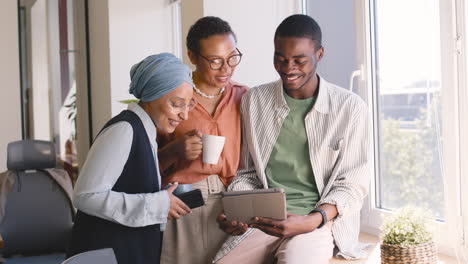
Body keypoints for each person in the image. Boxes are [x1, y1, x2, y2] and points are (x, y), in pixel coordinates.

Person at [214, 14, 370, 264]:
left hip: (317, 221)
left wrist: (312, 220)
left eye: (299, 60)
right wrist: (239, 212)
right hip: (263, 219)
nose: (288, 68)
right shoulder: (254, 101)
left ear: (319, 54)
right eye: (280, 58)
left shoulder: (350, 108)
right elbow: (248, 173)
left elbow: (352, 184)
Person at [66, 53, 195, 264]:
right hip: (106, 254)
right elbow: (85, 196)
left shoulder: (145, 132)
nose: (184, 115)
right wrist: (157, 204)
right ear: (152, 96)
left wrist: (162, 200)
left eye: (188, 105)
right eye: (177, 104)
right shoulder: (124, 130)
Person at [157, 16, 248, 264]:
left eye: (232, 58)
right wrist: (175, 151)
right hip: (183, 203)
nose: (226, 68)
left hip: (230, 204)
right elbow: (142, 166)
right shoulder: (171, 99)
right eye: (215, 61)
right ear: (193, 56)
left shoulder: (245, 97)